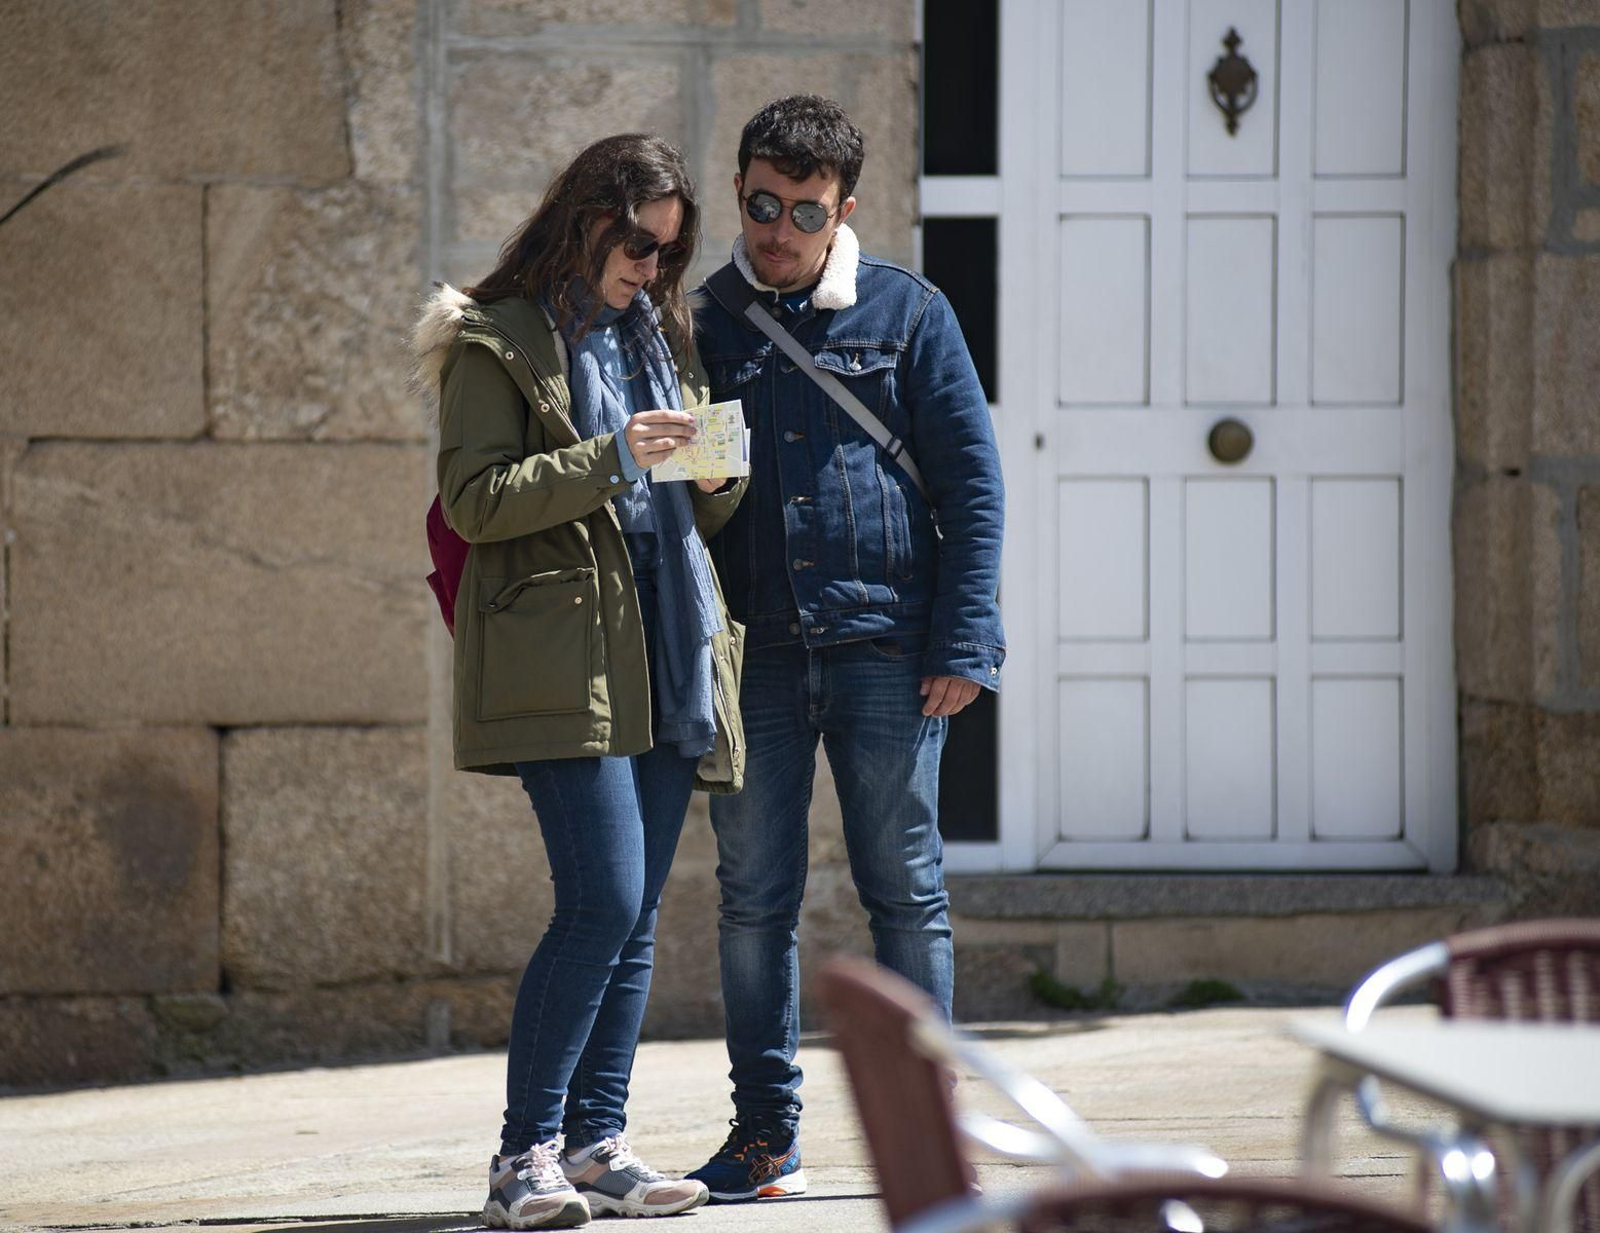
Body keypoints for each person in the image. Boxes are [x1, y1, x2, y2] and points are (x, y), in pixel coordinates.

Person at [411, 133, 747, 1230]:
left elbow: (698, 511)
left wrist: (716, 469)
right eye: (638, 244)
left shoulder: (661, 337)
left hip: (664, 643)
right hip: (561, 653)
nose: (651, 269)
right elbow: (474, 498)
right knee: (599, 898)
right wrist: (614, 456)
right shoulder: (495, 340)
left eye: (669, 251)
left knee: (635, 911)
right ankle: (524, 1157)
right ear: (586, 220)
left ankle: (599, 1145)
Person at [685, 95, 1005, 1202]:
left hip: (888, 648)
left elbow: (972, 487)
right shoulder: (702, 323)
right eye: (761, 204)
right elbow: (681, 503)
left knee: (904, 891)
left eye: (805, 211)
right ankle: (763, 1135)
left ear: (845, 210)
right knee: (752, 898)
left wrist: (965, 640)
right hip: (756, 654)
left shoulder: (910, 314)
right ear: (739, 191)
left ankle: (928, 1132)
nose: (779, 230)